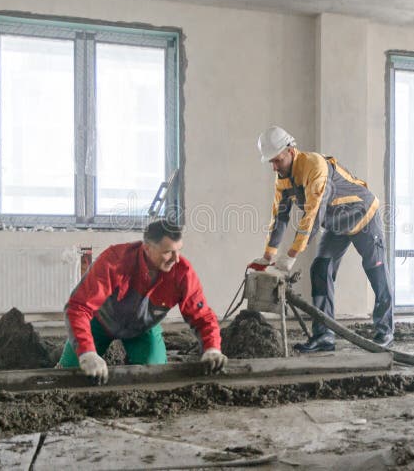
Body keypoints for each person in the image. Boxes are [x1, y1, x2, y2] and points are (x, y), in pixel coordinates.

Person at [252, 126, 394, 352]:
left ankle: (385, 330)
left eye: (277, 160)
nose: (274, 167)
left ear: (290, 151)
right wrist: (267, 257)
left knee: (375, 270)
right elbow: (279, 219)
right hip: (337, 225)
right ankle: (324, 335)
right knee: (320, 269)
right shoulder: (283, 179)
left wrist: (290, 256)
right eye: (271, 162)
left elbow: (312, 216)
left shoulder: (314, 166)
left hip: (363, 215)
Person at [58, 219, 227, 384]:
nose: (176, 259)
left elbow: (202, 316)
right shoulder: (115, 261)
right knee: (68, 374)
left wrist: (212, 348)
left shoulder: (182, 273)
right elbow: (78, 307)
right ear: (147, 248)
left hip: (142, 330)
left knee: (156, 374)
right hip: (100, 322)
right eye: (168, 252)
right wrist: (86, 353)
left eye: (179, 251)